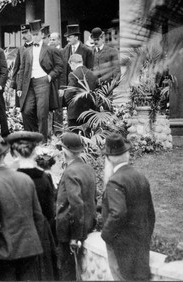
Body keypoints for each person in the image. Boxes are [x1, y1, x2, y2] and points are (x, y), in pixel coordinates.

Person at [0, 134, 44, 281]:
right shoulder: (25, 179)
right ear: (3, 155)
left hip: (3, 252)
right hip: (29, 248)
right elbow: (38, 217)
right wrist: (35, 241)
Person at [101, 133, 155, 281]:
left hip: (121, 246)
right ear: (127, 154)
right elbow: (151, 214)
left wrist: (105, 234)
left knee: (121, 277)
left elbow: (117, 213)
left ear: (109, 158)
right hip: (140, 243)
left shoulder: (115, 181)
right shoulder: (140, 176)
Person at [7, 131, 58, 281]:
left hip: (18, 236)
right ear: (34, 151)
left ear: (14, 151)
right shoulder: (44, 177)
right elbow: (50, 211)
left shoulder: (11, 178)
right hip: (41, 233)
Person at [56, 132, 97, 281]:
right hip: (86, 226)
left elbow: (77, 204)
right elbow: (93, 199)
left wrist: (74, 236)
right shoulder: (88, 168)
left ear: (65, 150)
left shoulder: (70, 171)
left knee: (67, 272)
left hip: (69, 232)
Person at [16, 20, 64, 141]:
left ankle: (43, 142)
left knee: (42, 113)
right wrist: (20, 87)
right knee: (26, 111)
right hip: (29, 84)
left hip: (43, 83)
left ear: (42, 35)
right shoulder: (26, 51)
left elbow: (60, 66)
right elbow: (22, 70)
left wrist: (50, 76)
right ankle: (33, 137)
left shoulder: (50, 50)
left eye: (37, 34)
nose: (35, 37)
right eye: (33, 35)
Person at [64, 53, 98, 128]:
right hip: (90, 111)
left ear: (72, 63)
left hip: (76, 112)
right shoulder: (92, 74)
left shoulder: (73, 74)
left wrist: (69, 104)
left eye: (70, 65)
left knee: (75, 137)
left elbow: (68, 94)